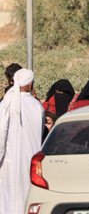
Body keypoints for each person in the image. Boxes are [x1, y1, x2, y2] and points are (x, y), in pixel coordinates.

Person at [0, 68, 44, 214]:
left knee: (8, 198)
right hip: (30, 158)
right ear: (30, 84)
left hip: (8, 160)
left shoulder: (6, 103)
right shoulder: (37, 106)